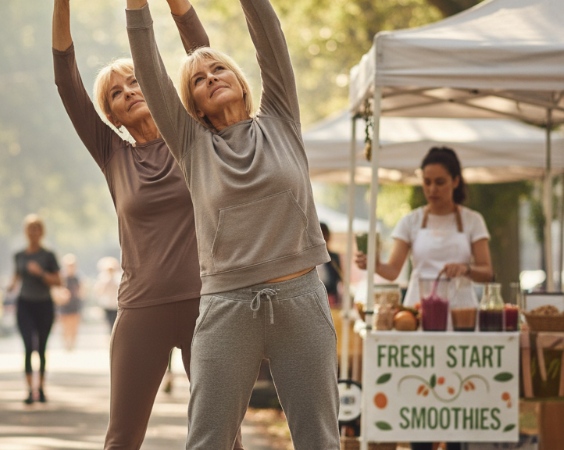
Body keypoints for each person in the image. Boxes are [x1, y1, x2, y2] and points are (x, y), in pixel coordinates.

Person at [126, 0, 340, 448]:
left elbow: (269, 35)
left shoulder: (281, 117)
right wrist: (136, 6)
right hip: (228, 306)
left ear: (242, 83)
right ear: (195, 107)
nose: (211, 78)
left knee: (319, 440)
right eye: (198, 80)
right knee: (207, 440)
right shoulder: (191, 145)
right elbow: (148, 70)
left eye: (219, 69)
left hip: (300, 297)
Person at [53, 1, 248, 448]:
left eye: (136, 81)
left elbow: (202, 54)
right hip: (142, 309)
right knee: (121, 438)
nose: (128, 92)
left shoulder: (195, 134)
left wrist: (177, 6)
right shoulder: (111, 154)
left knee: (225, 438)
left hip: (209, 306)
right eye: (116, 94)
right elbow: (66, 80)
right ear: (112, 116)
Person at [356, 146, 493, 450]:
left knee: (459, 390)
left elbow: (487, 271)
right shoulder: (411, 221)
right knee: (421, 390)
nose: (432, 189)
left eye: (440, 182)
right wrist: (372, 264)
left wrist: (466, 268)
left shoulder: (472, 220)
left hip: (461, 315)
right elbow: (392, 270)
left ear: (455, 181)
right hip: (419, 314)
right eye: (427, 182)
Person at [7, 214, 61, 405]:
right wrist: (10, 287)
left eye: (37, 229)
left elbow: (58, 281)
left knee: (42, 348)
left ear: (42, 232)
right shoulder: (19, 256)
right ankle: (30, 390)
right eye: (30, 229)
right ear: (26, 232)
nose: (33, 233)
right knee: (29, 347)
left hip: (44, 304)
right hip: (25, 304)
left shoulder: (48, 256)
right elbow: (15, 278)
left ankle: (42, 388)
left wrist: (41, 273)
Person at [57, 253, 82, 351]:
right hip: (64, 305)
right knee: (65, 325)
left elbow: (82, 291)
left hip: (75, 304)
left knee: (74, 324)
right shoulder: (61, 278)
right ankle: (66, 343)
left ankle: (72, 342)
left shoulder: (78, 278)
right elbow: (57, 290)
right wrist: (62, 294)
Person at [318, 223, 343, 307]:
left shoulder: (333, 257)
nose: (323, 238)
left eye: (325, 234)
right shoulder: (310, 259)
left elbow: (339, 277)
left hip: (331, 298)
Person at [92, 256, 121, 330]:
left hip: (116, 304)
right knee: (109, 323)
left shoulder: (118, 277)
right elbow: (99, 290)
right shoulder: (103, 278)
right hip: (107, 304)